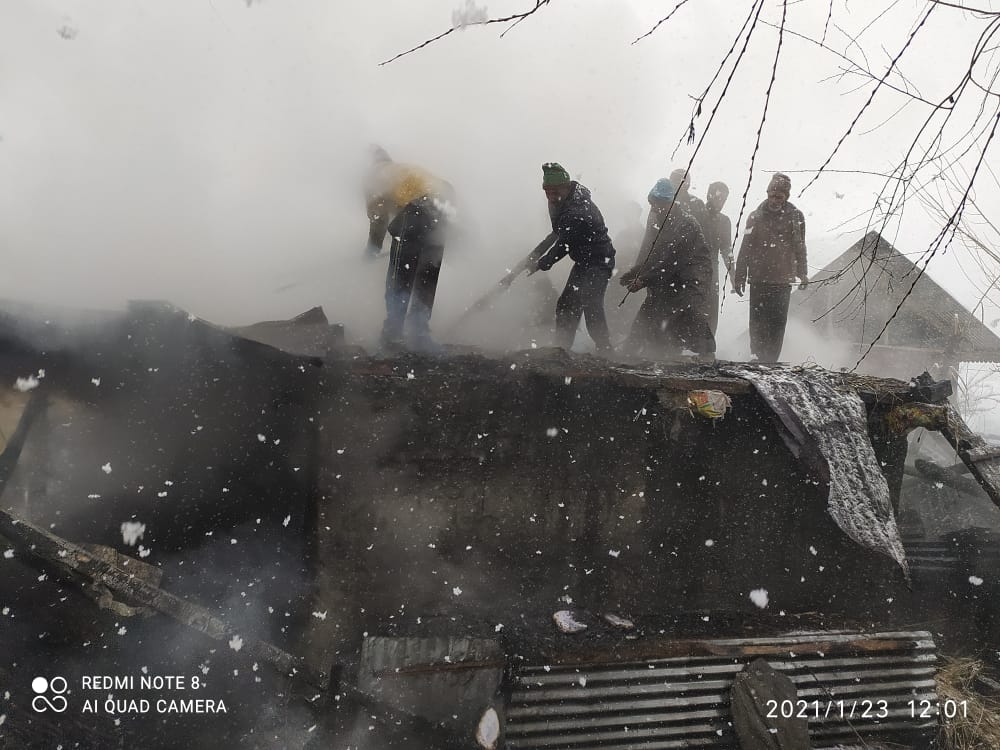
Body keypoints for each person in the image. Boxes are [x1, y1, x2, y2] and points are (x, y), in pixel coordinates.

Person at [504, 163, 615, 355]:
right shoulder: (562, 203)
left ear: (566, 186)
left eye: (555, 191)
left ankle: (605, 350)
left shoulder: (579, 210)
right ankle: (561, 348)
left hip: (599, 262)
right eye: (547, 191)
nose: (551, 196)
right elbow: (556, 234)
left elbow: (564, 244)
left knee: (591, 305)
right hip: (583, 262)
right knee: (567, 304)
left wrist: (541, 263)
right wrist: (532, 257)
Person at [364, 146, 454, 351]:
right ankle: (419, 331)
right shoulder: (404, 170)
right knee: (427, 271)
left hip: (417, 208)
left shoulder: (375, 177)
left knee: (400, 273)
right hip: (446, 202)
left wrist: (372, 250)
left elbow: (378, 220)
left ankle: (393, 334)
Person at [619, 178, 716, 361]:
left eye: (658, 204)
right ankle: (634, 350)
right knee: (652, 306)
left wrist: (644, 279)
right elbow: (653, 253)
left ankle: (706, 352)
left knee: (688, 308)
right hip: (671, 273)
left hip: (693, 274)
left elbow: (672, 259)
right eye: (652, 204)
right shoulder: (660, 222)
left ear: (670, 203)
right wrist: (636, 272)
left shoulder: (686, 223)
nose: (654, 209)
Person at [732, 172, 808, 363]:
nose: (774, 200)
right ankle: (757, 357)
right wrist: (740, 276)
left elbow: (800, 246)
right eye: (771, 195)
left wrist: (803, 273)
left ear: (786, 197)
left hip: (782, 280)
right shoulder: (755, 216)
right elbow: (745, 247)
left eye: (779, 197)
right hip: (759, 278)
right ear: (767, 193)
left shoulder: (796, 217)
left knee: (777, 324)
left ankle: (771, 361)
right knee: (757, 322)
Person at [702, 181, 735, 336]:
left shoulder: (724, 221)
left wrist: (733, 275)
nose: (721, 203)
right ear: (709, 195)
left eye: (724, 200)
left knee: (711, 310)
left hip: (711, 270)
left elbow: (726, 249)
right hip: (691, 269)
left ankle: (706, 348)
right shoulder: (697, 214)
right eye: (718, 198)